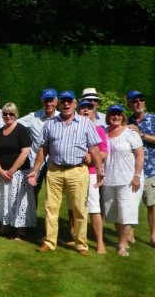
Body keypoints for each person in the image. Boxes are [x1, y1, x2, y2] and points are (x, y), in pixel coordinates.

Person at [28, 90, 103, 256]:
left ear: (75, 103)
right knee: (51, 208)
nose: (66, 104)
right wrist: (35, 170)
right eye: (63, 101)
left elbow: (94, 149)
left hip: (77, 170)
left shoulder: (85, 123)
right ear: (58, 104)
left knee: (79, 210)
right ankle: (49, 241)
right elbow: (43, 148)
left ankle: (81, 245)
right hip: (54, 170)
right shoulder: (50, 123)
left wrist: (99, 169)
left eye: (70, 101)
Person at [127, 90, 155, 250]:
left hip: (151, 169)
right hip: (132, 170)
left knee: (151, 203)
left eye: (141, 99)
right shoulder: (127, 121)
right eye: (134, 101)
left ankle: (153, 237)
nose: (138, 103)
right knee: (131, 203)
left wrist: (141, 135)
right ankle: (130, 233)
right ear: (129, 104)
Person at [0, 102, 35, 239]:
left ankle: (21, 230)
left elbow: (25, 152)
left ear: (15, 115)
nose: (8, 116)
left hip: (19, 173)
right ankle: (4, 226)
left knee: (20, 201)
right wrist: (0, 170)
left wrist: (12, 170)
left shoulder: (22, 130)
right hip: (2, 173)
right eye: (5, 114)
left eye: (11, 114)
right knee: (3, 199)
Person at [103, 104, 144, 256]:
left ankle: (122, 244)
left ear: (123, 116)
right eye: (112, 114)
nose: (115, 117)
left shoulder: (130, 133)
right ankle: (123, 238)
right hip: (109, 179)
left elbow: (140, 155)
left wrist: (137, 176)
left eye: (118, 114)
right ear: (108, 116)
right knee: (112, 213)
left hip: (128, 179)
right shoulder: (104, 133)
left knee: (126, 213)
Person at [73, 100, 108, 253]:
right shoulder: (73, 128)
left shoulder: (99, 130)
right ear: (78, 111)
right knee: (74, 207)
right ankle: (77, 238)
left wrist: (90, 157)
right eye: (82, 108)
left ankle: (100, 242)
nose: (86, 111)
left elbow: (103, 153)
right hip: (75, 172)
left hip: (92, 173)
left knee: (94, 208)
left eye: (89, 108)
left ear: (94, 112)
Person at [18, 88, 59, 207]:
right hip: (36, 160)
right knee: (32, 191)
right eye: (46, 101)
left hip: (54, 162)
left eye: (51, 101)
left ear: (56, 102)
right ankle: (31, 222)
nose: (49, 104)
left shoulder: (61, 117)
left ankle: (49, 223)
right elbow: (15, 125)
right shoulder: (34, 117)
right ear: (42, 102)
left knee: (53, 194)